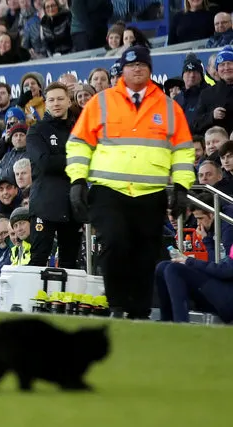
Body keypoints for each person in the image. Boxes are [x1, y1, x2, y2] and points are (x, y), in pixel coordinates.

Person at [66, 46, 195, 319]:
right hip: (108, 190)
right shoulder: (100, 102)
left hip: (151, 192)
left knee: (146, 253)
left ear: (149, 69)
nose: (137, 69)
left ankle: (139, 312)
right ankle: (116, 305)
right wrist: (77, 180)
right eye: (131, 64)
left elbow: (183, 150)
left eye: (142, 65)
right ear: (122, 70)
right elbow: (79, 143)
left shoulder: (168, 107)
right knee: (114, 243)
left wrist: (182, 186)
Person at [27, 82, 81, 268]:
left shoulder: (78, 130)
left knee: (70, 262)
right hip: (45, 205)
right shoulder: (36, 130)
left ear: (68, 101)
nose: (56, 103)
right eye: (51, 100)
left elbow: (89, 159)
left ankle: (66, 298)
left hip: (72, 205)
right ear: (46, 103)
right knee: (38, 260)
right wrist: (74, 160)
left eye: (60, 99)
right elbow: (44, 163)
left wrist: (58, 158)